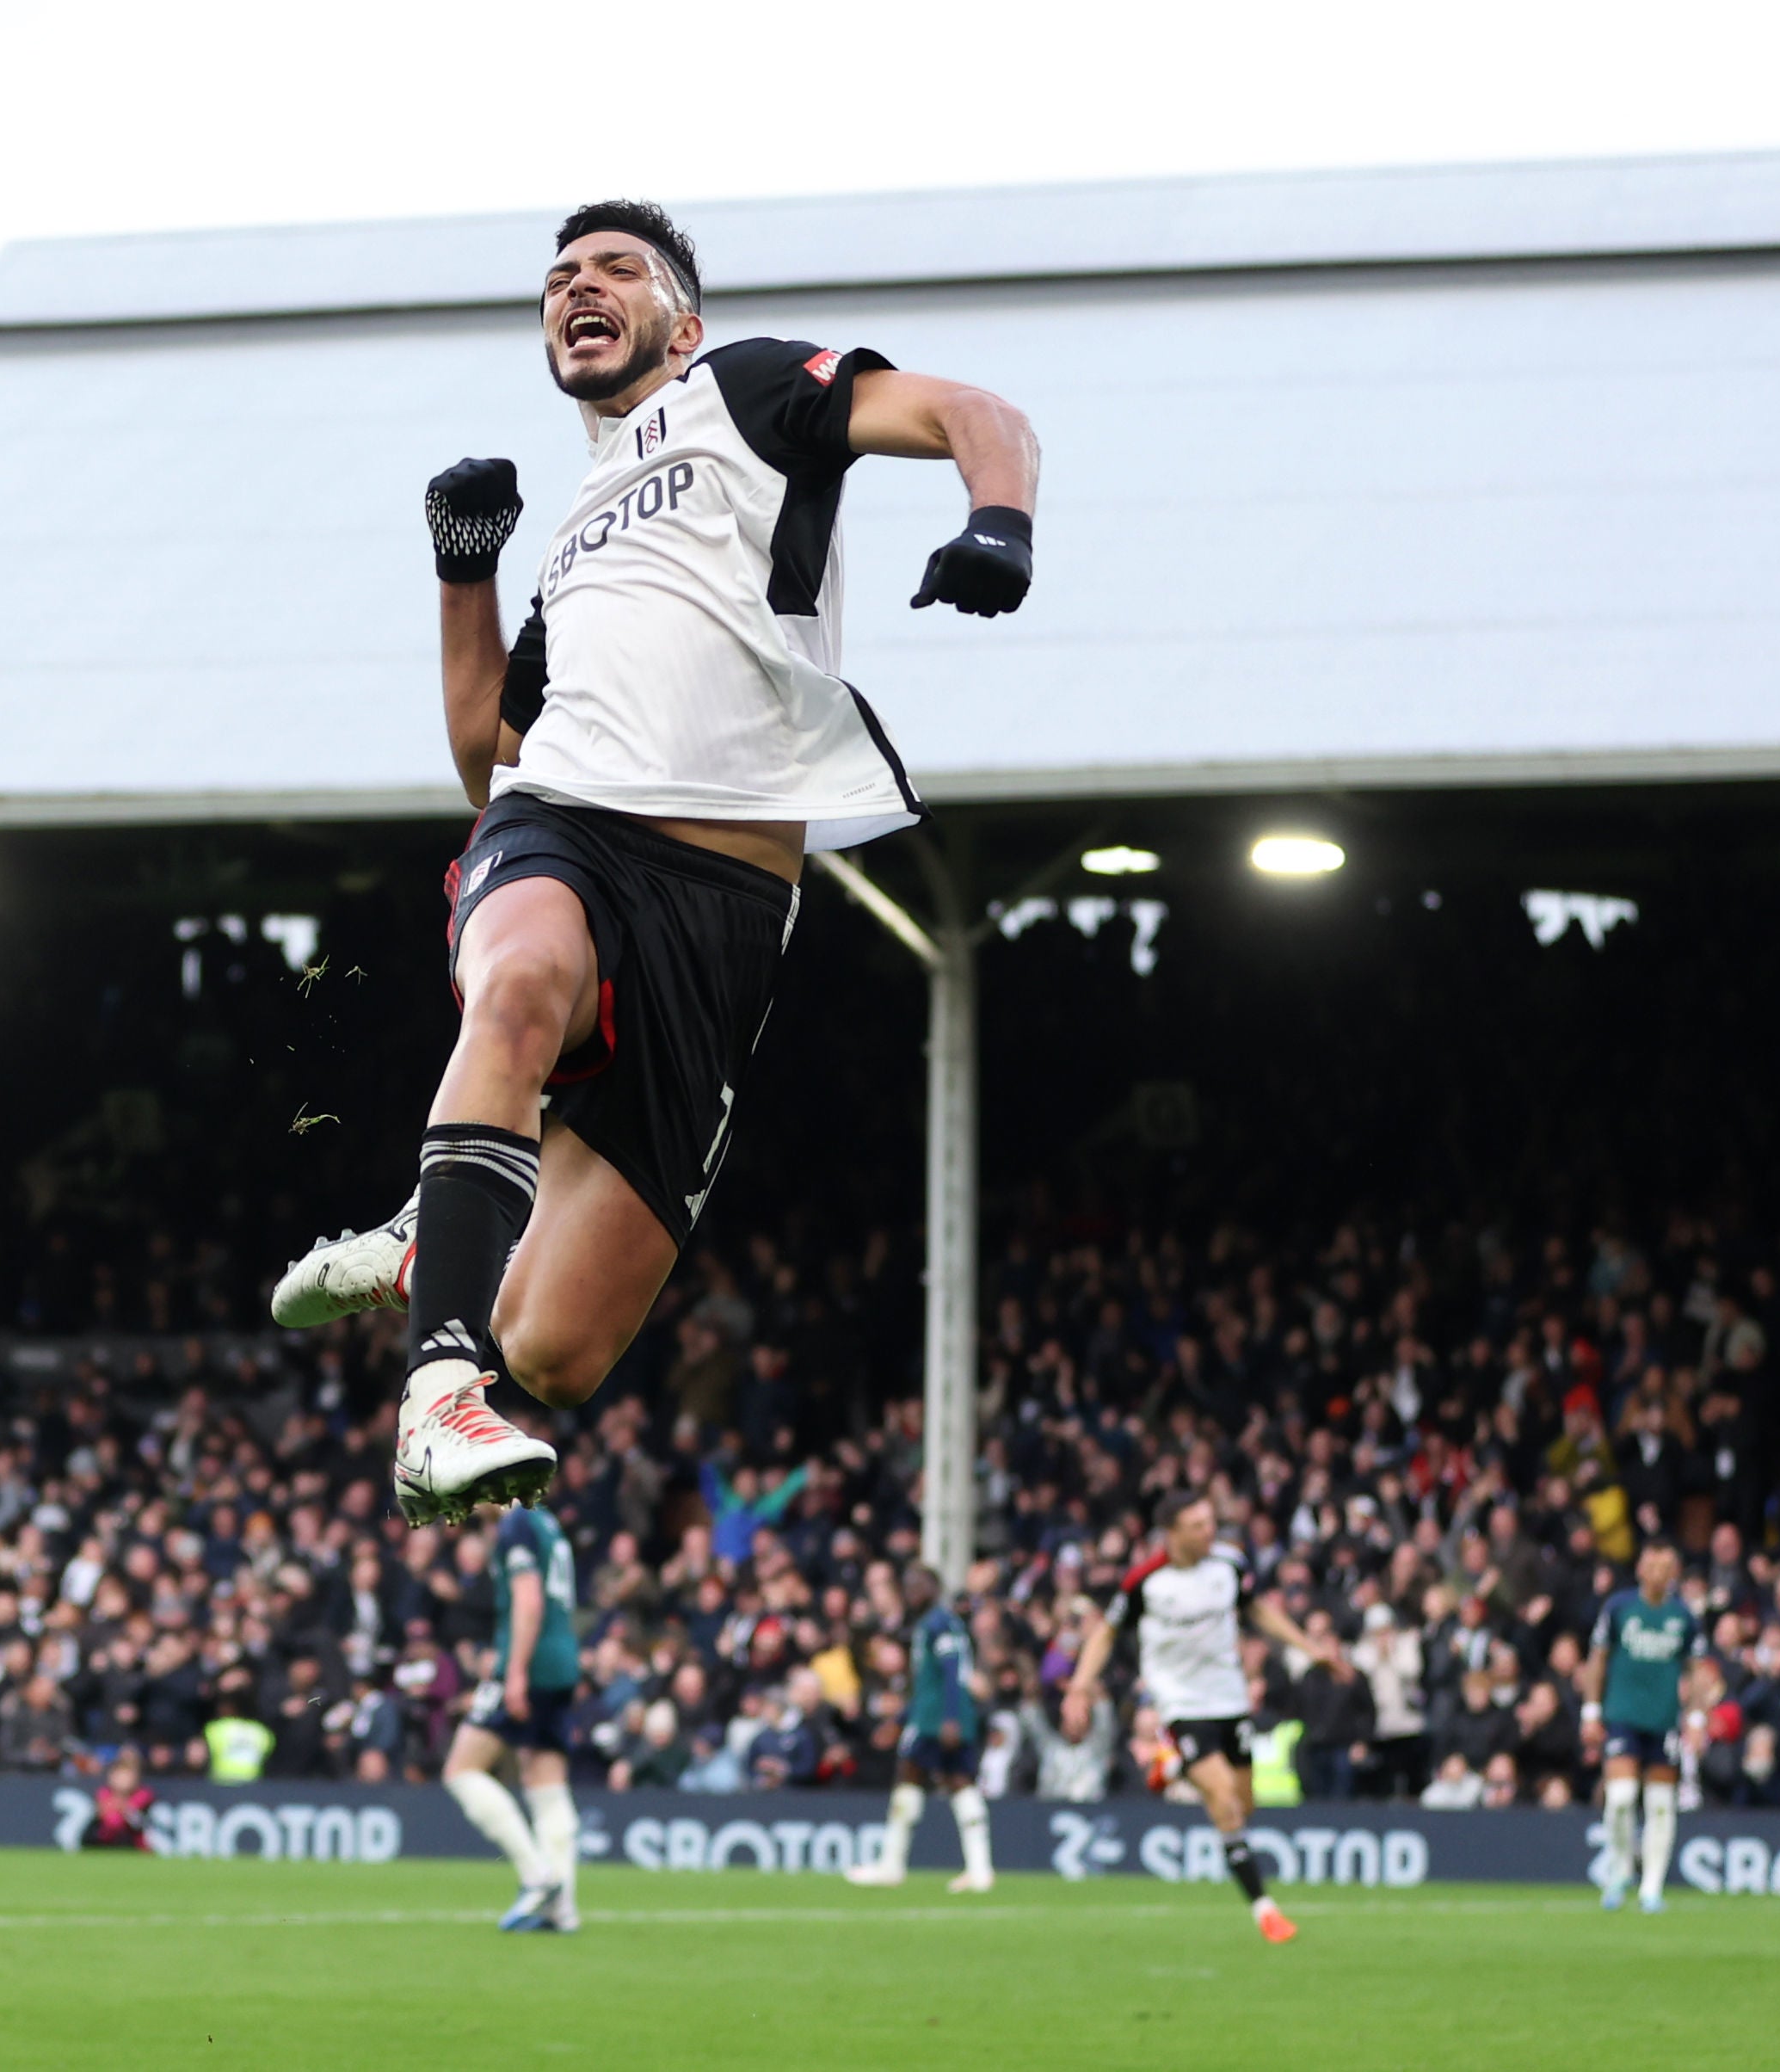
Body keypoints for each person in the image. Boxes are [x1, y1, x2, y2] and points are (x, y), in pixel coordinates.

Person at [267, 197, 1039, 1526]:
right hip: (566, 827)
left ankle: (431, 1247)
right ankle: (438, 1393)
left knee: (559, 1351)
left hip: (728, 904)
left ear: (683, 322)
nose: (579, 284)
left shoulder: (742, 391)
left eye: (617, 268)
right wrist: (468, 575)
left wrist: (1000, 522)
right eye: (559, 275)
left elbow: (983, 411)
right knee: (515, 988)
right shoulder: (572, 551)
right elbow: (486, 758)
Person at [1067, 1489, 1348, 1944]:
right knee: (1223, 1800)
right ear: (1172, 1534)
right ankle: (1266, 1910)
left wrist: (1310, 1649)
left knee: (1244, 1803)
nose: (1209, 1531)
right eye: (1198, 1525)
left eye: (1210, 1522)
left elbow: (1258, 1610)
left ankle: (1171, 1766)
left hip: (1230, 1700)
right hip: (1181, 1703)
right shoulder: (1146, 1581)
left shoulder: (1229, 1565)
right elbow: (1107, 1632)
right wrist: (1079, 1687)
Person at [441, 1502, 585, 1932]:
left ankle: (537, 1877)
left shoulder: (516, 1525)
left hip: (533, 1662)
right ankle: (563, 1907)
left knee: (461, 1770)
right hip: (562, 1662)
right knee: (546, 1780)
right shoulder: (547, 1520)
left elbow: (528, 1598)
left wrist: (516, 1670)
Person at [846, 1568, 991, 1891]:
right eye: (907, 1584)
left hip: (936, 1719)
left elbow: (952, 1673)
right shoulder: (938, 1623)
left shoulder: (937, 1623)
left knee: (908, 1778)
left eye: (918, 1584)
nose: (911, 1590)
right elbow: (928, 1684)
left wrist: (950, 1718)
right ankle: (980, 1869)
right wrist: (898, 1721)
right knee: (960, 1783)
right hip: (939, 1714)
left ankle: (891, 1864)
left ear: (934, 1588)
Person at [1584, 1539, 1704, 1914]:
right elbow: (1598, 1660)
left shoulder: (1684, 1617)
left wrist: (1697, 1719)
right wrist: (1591, 1711)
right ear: (1640, 1569)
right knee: (1619, 1801)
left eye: (1665, 1567)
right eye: (1652, 1566)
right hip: (1622, 1715)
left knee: (1661, 1807)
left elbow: (1696, 1670)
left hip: (1664, 1720)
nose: (1658, 1574)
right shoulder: (1619, 1608)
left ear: (1674, 1573)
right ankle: (1621, 1868)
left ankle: (1651, 1887)